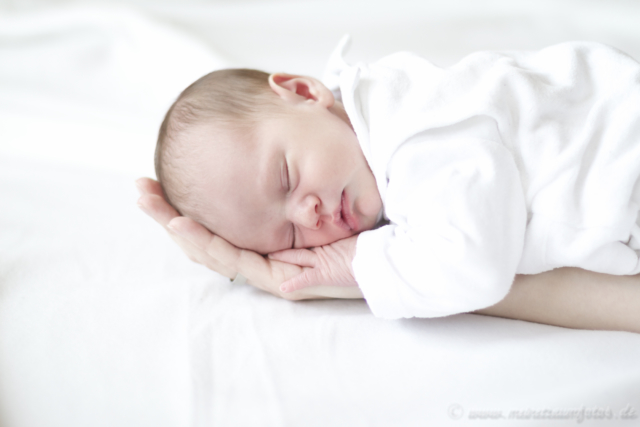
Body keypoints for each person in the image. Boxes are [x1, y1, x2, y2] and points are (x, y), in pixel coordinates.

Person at [137, 37, 640, 333]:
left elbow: (476, 267)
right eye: (289, 239)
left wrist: (357, 265)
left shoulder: (412, 132)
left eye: (286, 178)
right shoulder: (366, 145)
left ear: (303, 92)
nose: (307, 214)